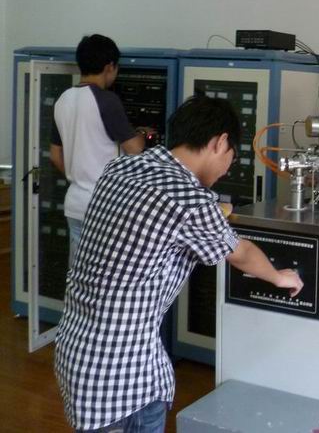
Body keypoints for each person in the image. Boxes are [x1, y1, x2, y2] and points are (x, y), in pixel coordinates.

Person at [54, 95, 304, 432]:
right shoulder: (189, 201)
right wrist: (279, 276)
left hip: (77, 352)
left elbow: (154, 216)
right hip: (124, 382)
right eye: (230, 159)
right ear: (220, 142)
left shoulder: (122, 168)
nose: (227, 170)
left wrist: (215, 210)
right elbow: (241, 252)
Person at [49, 34, 147, 261]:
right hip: (104, 206)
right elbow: (134, 148)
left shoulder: (63, 100)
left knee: (79, 272)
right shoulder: (107, 100)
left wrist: (80, 178)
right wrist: (143, 134)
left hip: (75, 204)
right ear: (109, 66)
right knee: (106, 273)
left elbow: (55, 156)